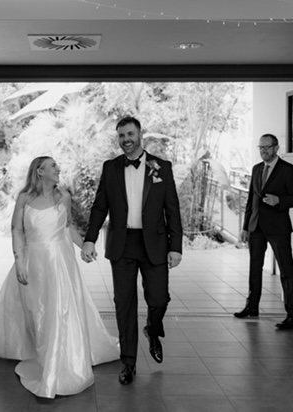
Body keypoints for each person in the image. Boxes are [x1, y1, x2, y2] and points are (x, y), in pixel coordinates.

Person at [0, 156, 119, 399]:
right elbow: (17, 229)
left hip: (60, 262)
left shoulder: (64, 197)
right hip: (33, 262)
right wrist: (19, 261)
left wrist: (84, 245)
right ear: (39, 171)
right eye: (53, 166)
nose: (58, 168)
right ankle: (43, 352)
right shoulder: (24, 198)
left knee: (60, 309)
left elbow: (68, 227)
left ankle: (62, 362)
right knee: (37, 312)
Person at [81, 116, 183, 385]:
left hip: (155, 244)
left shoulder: (161, 167)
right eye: (121, 136)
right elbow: (100, 206)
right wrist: (89, 239)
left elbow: (172, 209)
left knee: (159, 299)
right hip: (122, 244)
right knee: (124, 304)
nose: (126, 140)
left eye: (130, 134)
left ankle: (152, 328)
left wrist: (176, 247)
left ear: (140, 135)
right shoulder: (111, 168)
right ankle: (128, 362)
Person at [234, 133, 293, 330]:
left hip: (278, 227)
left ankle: (292, 315)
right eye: (261, 147)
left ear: (276, 148)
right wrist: (246, 226)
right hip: (256, 227)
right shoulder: (257, 169)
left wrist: (279, 200)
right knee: (254, 268)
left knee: (286, 270)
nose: (263, 151)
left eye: (267, 147)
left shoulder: (288, 170)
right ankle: (252, 306)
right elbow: (251, 200)